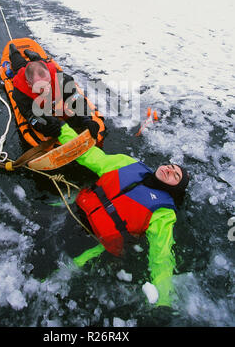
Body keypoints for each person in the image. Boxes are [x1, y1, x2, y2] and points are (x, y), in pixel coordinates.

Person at [56, 122, 190, 307]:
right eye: (170, 166)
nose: (169, 169)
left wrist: (164, 301)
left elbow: (162, 257)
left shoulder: (163, 213)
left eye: (175, 176)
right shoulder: (128, 164)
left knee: (54, 273)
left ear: (176, 189)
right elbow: (89, 154)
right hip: (72, 212)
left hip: (94, 241)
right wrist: (61, 129)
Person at [8, 43, 100, 140]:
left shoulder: (61, 79)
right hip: (23, 73)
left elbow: (75, 98)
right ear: (30, 84)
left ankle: (34, 57)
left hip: (41, 66)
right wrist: (45, 127)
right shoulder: (20, 93)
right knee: (18, 65)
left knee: (40, 62)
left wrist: (86, 119)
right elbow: (30, 115)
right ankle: (13, 51)